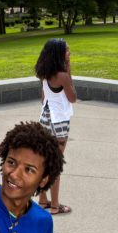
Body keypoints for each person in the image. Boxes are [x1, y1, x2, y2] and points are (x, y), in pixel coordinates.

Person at [34, 38, 77, 215]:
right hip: (59, 122)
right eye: (67, 51)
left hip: (45, 118)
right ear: (59, 54)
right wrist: (68, 69)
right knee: (56, 164)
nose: (69, 53)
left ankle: (43, 200)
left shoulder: (43, 73)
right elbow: (73, 97)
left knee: (44, 161)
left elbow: (43, 98)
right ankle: (55, 206)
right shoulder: (62, 76)